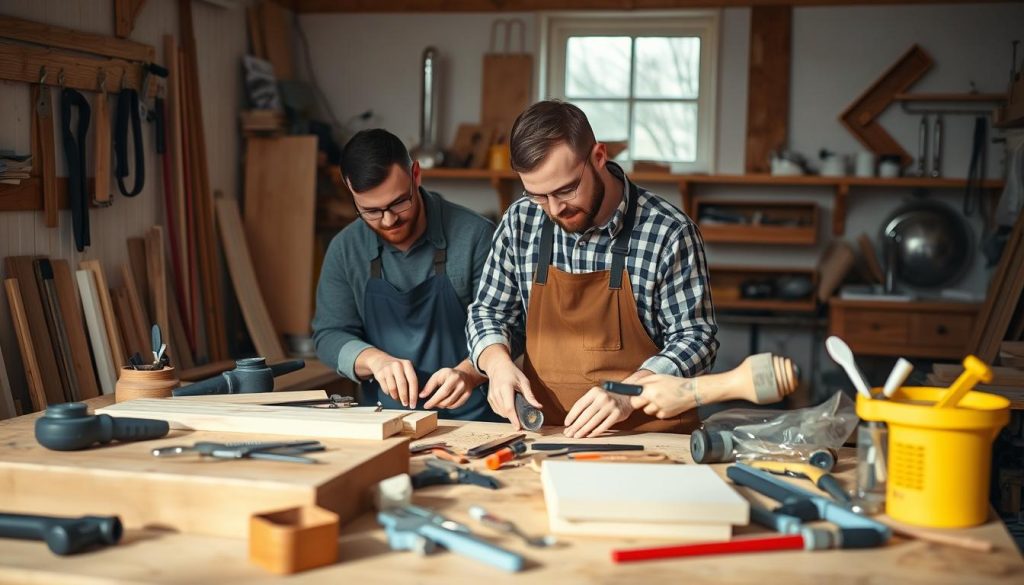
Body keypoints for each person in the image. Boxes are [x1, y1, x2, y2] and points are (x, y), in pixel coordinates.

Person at [466, 100, 718, 437]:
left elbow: (697, 338)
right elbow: (489, 312)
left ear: (599, 157)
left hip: (652, 438)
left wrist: (629, 393)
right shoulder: (520, 221)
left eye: (567, 189)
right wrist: (496, 364)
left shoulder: (668, 231)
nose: (554, 209)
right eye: (539, 195)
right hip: (550, 434)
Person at [312, 129, 498, 420]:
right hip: (384, 421)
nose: (388, 220)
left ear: (416, 175)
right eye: (370, 211)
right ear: (351, 193)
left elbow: (508, 327)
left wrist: (469, 374)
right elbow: (329, 334)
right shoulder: (345, 249)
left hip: (474, 422)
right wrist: (375, 361)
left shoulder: (475, 236)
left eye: (399, 202)